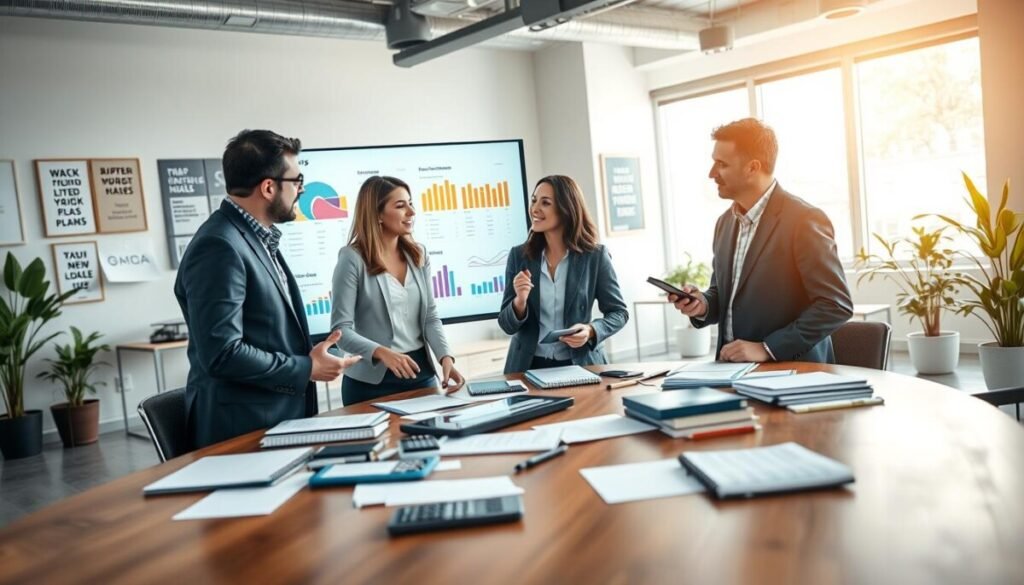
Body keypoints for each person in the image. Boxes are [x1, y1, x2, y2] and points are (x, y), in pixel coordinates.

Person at [174, 129, 359, 449]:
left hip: (273, 420)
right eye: (296, 181)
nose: (301, 190)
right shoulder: (219, 246)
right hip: (242, 430)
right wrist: (306, 367)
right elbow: (222, 354)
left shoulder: (256, 239)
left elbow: (266, 329)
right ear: (269, 187)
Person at [670, 118, 853, 363]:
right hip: (731, 372)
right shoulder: (725, 223)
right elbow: (725, 294)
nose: (711, 173)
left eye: (721, 164)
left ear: (752, 167)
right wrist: (702, 304)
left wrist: (767, 348)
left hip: (793, 373)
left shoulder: (804, 220)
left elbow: (835, 305)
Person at [331, 175, 464, 405]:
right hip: (369, 383)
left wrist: (445, 356)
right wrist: (382, 352)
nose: (411, 212)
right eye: (401, 206)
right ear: (378, 214)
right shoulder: (352, 258)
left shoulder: (418, 254)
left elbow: (430, 317)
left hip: (420, 375)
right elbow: (341, 331)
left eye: (410, 203)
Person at [498, 175, 629, 373]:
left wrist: (591, 330)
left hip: (582, 364)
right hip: (527, 367)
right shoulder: (519, 256)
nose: (535, 209)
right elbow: (506, 325)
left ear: (566, 208)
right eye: (534, 200)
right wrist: (520, 302)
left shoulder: (595, 256)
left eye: (545, 203)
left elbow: (619, 313)